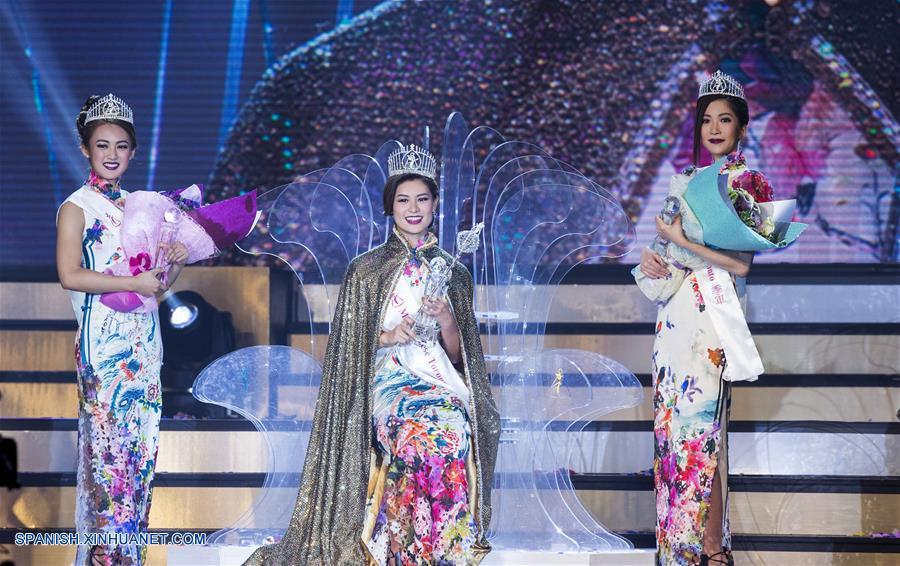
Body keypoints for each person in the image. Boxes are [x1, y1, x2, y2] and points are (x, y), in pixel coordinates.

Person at [244, 144, 499, 565]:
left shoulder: (456, 272)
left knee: (451, 435)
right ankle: (399, 550)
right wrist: (388, 334)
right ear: (390, 207)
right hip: (389, 383)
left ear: (435, 205)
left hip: (438, 384)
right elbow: (346, 346)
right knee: (413, 440)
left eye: (422, 199)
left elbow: (460, 355)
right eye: (403, 200)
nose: (413, 209)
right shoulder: (366, 269)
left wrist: (449, 318)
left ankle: (446, 549)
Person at [639, 71, 768, 566]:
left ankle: (712, 551)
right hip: (673, 321)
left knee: (703, 437)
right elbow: (661, 254)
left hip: (712, 319)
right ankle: (679, 550)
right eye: (707, 120)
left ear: (741, 128)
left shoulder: (748, 183)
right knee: (675, 436)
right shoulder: (686, 182)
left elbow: (740, 264)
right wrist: (652, 259)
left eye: (725, 120)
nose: (715, 128)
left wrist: (683, 244)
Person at [56, 94, 188, 566]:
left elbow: (151, 285)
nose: (112, 154)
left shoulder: (142, 206)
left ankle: (127, 558)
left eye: (122, 146)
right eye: (102, 145)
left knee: (139, 460)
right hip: (103, 350)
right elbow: (70, 274)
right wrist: (132, 280)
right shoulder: (77, 208)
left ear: (133, 152)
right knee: (108, 460)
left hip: (144, 347)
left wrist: (171, 266)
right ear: (86, 149)